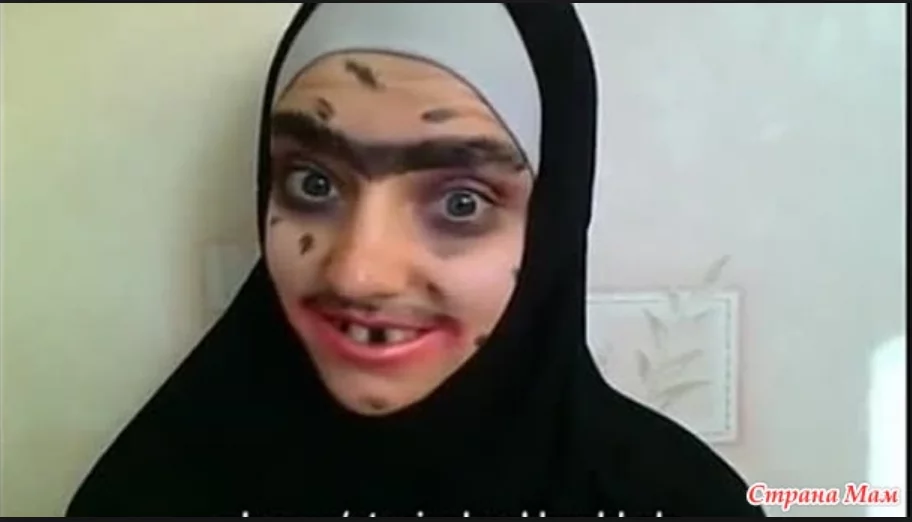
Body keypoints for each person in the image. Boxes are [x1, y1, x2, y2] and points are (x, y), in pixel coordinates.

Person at [66, 3, 765, 517]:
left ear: (551, 222)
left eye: (461, 202)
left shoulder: (676, 504)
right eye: (314, 183)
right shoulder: (149, 494)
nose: (358, 274)